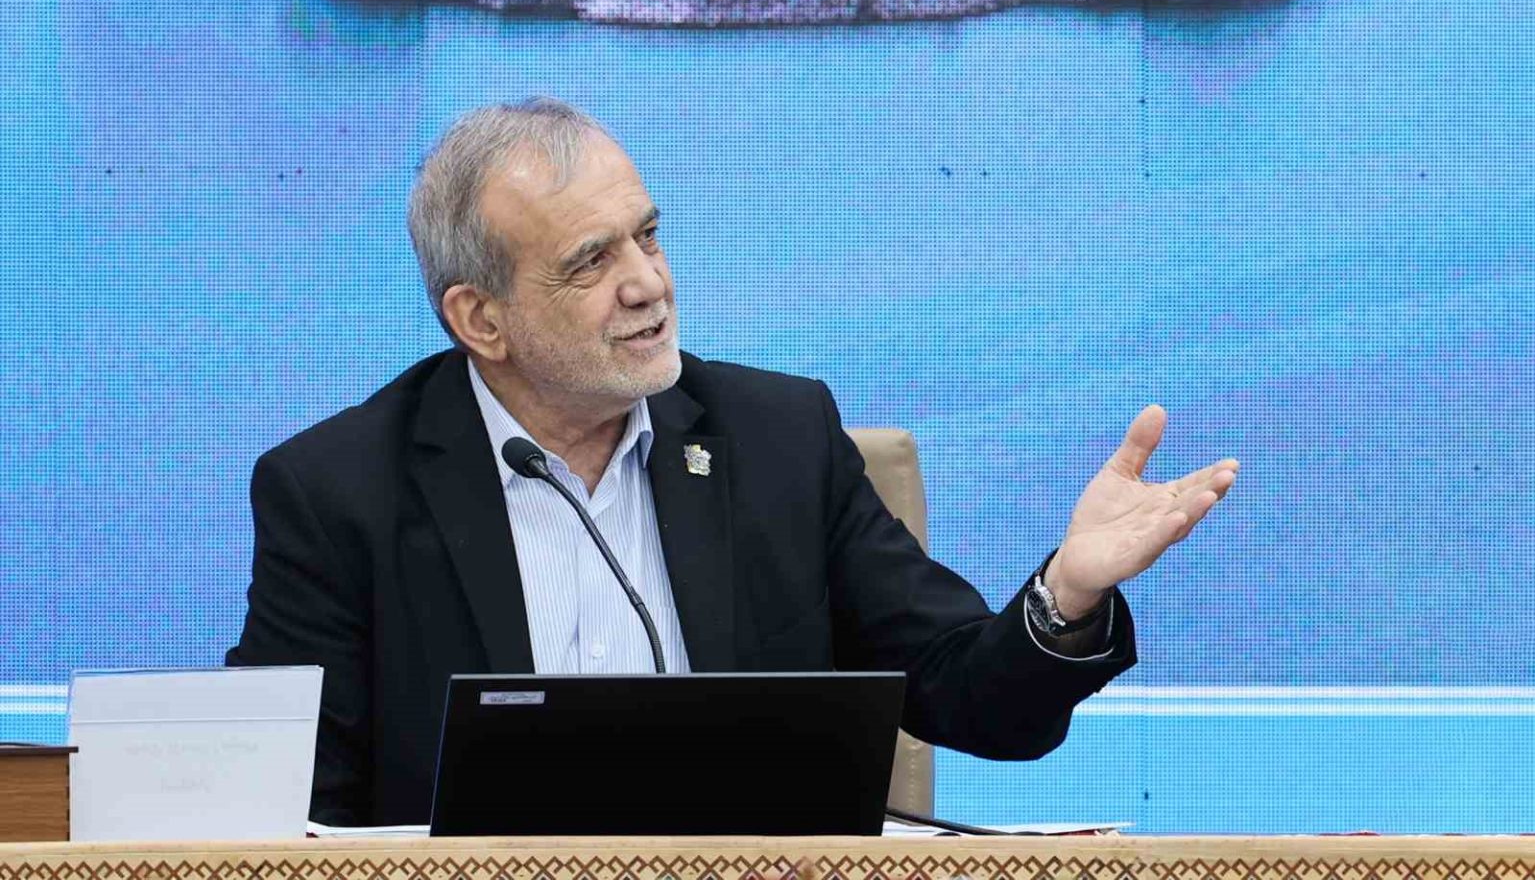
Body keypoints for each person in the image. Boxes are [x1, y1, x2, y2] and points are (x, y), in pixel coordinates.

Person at [227, 98, 1240, 826]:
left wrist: (1066, 595)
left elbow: (974, 697)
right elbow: (281, 819)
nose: (647, 284)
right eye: (591, 262)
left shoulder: (776, 439)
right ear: (480, 319)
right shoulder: (340, 493)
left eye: (648, 237)